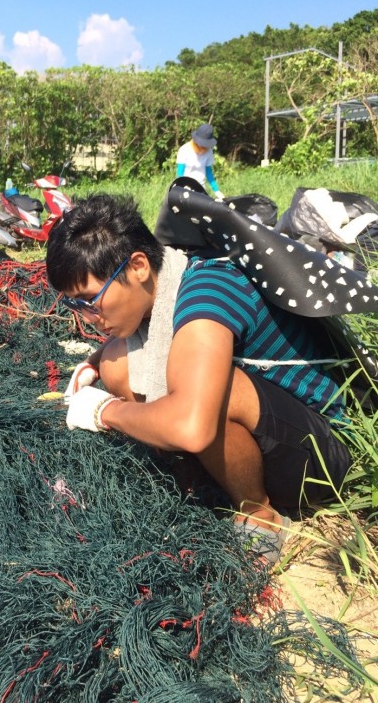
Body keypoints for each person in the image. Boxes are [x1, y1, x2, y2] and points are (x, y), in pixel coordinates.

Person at [46, 193, 353, 566]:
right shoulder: (168, 279)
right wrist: (95, 362)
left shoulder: (207, 294)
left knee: (209, 395)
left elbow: (192, 425)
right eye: (74, 305)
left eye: (90, 300)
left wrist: (105, 411)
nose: (87, 316)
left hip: (322, 457)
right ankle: (196, 477)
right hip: (273, 435)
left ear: (139, 266)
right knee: (114, 359)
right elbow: (131, 345)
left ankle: (260, 514)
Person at [176, 123, 223, 199]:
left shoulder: (209, 152)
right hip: (186, 188)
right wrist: (182, 185)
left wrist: (216, 190)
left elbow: (209, 173)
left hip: (201, 188)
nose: (203, 148)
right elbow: (179, 173)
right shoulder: (184, 150)